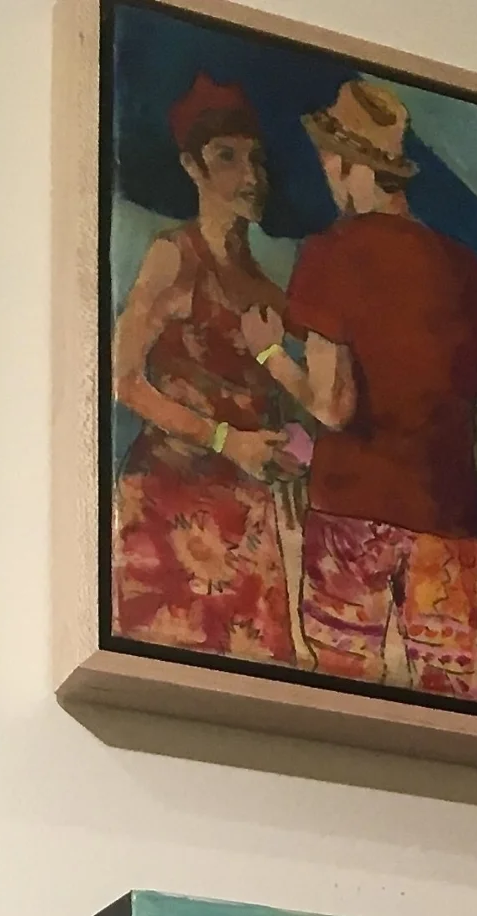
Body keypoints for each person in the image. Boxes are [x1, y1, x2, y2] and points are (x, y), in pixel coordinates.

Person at [239, 80, 477, 698]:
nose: (327, 174)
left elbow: (333, 406)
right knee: (449, 696)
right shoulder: (466, 269)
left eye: (329, 160)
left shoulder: (332, 254)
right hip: (448, 518)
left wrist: (270, 352)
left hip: (353, 512)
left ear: (349, 164)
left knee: (342, 688)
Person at [111, 75, 297, 661]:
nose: (251, 176)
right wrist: (225, 439)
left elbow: (280, 398)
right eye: (227, 158)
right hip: (169, 498)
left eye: (256, 160)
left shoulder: (268, 288)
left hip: (247, 510)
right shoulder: (174, 257)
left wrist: (289, 447)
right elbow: (124, 380)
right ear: (192, 167)